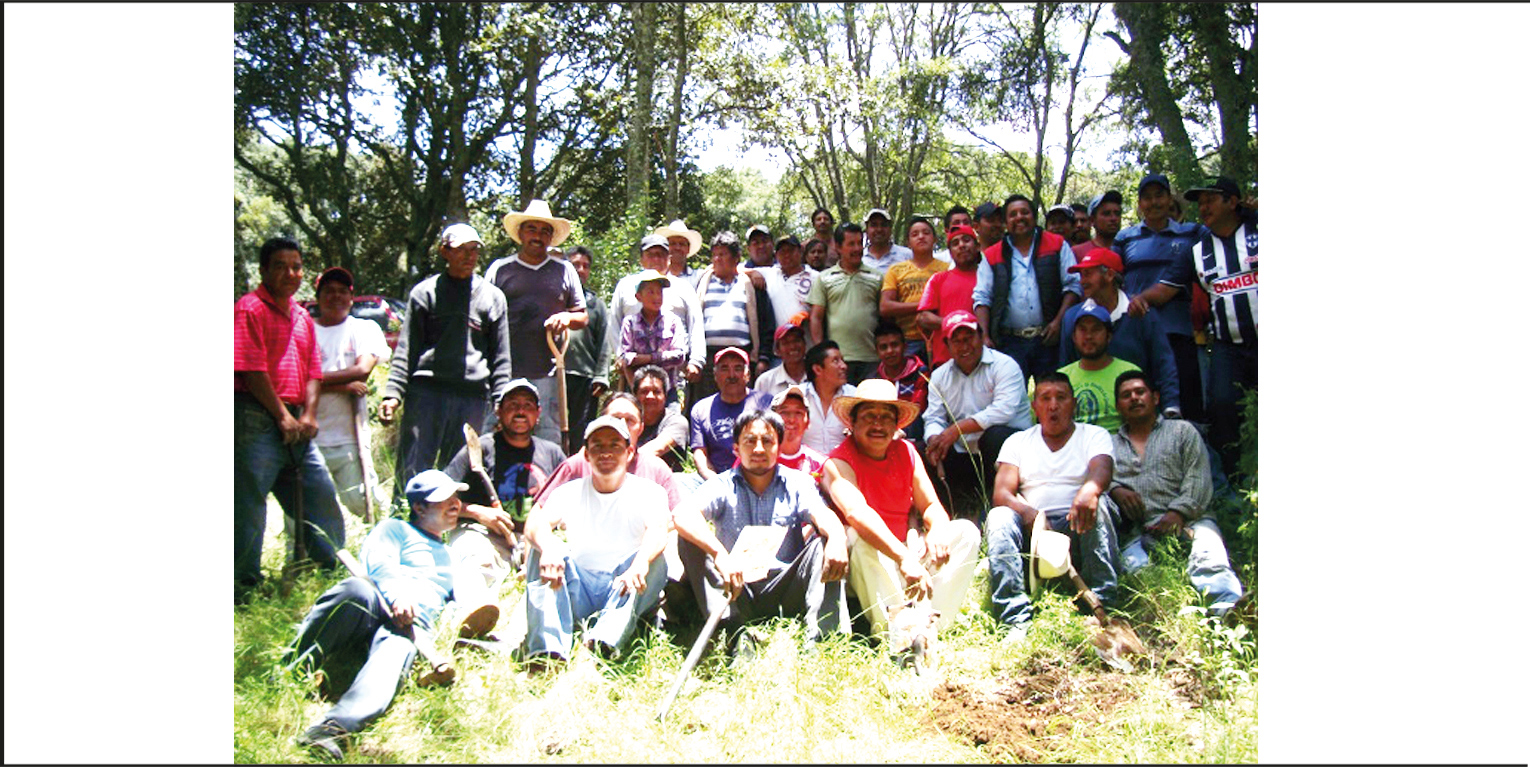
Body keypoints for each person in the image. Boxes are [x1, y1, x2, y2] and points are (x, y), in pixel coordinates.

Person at [288, 470, 474, 758]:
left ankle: (330, 731)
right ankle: (290, 669)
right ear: (418, 507)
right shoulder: (395, 529)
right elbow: (379, 561)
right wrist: (399, 594)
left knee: (396, 653)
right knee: (355, 590)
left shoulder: (452, 557)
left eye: (456, 498)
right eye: (444, 499)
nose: (455, 505)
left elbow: (457, 605)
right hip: (377, 601)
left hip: (411, 626)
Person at [672, 409, 851, 654]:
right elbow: (682, 515)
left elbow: (823, 515)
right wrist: (719, 555)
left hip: (787, 586)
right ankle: (733, 632)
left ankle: (822, 639)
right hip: (735, 588)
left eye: (767, 441)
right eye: (750, 441)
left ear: (778, 447)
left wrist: (838, 538)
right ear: (736, 448)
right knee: (689, 540)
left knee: (825, 544)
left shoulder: (797, 482)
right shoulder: (721, 484)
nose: (758, 449)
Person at [824, 379, 981, 640]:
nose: (878, 424)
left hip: (905, 551)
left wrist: (937, 531)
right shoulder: (837, 462)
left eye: (886, 417)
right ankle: (896, 636)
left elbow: (930, 505)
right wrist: (904, 558)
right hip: (868, 563)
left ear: (896, 425)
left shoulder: (906, 451)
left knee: (966, 532)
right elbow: (857, 514)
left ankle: (930, 629)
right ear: (852, 423)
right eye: (869, 416)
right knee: (860, 540)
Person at [235, 237, 346, 599]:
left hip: (298, 420)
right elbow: (251, 369)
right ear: (265, 269)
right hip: (257, 417)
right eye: (280, 266)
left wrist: (309, 414)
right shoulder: (249, 309)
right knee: (248, 504)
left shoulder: (301, 316)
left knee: (319, 494)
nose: (289, 273)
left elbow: (313, 370)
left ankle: (332, 571)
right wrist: (281, 416)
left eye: (296, 266)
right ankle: (243, 586)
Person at [380, 223, 513, 502]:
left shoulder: (492, 298)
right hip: (427, 393)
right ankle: (403, 523)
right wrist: (393, 394)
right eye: (461, 250)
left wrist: (502, 402)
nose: (468, 256)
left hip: (472, 398)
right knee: (414, 466)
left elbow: (501, 358)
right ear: (444, 251)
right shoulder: (425, 293)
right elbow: (407, 348)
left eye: (474, 250)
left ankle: (451, 529)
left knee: (460, 470)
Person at [985, 372, 1121, 641]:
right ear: (1035, 406)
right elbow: (1001, 493)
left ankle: (1101, 603)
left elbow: (1102, 470)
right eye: (1045, 398)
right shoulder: (1018, 441)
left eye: (1061, 397)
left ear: (1074, 403)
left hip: (1081, 524)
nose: (1053, 405)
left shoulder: (1094, 435)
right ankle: (1014, 617)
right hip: (1032, 531)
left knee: (1101, 502)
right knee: (999, 516)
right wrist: (1031, 514)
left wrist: (1089, 490)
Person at [522, 416, 671, 662]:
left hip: (625, 586)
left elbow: (658, 529)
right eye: (597, 446)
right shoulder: (568, 492)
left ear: (629, 452)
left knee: (654, 559)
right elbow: (535, 524)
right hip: (577, 587)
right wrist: (548, 548)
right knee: (541, 548)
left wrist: (640, 563)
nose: (606, 453)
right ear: (586, 455)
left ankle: (603, 643)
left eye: (614, 445)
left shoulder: (649, 491)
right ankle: (548, 653)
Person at [1137, 175, 1258, 473]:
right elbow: (1166, 288)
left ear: (1232, 202)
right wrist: (1138, 300)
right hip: (1227, 345)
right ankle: (1233, 477)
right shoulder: (1198, 249)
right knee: (1220, 406)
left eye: (1210, 200)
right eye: (1200, 202)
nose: (1203, 207)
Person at [1109, 372, 1243, 612]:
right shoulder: (1109, 444)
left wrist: (1178, 513)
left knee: (1209, 560)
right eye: (1126, 395)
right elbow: (1098, 479)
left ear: (1155, 397)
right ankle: (1165, 615)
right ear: (1118, 405)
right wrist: (1116, 489)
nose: (1134, 399)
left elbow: (1199, 478)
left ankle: (1229, 611)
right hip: (1137, 531)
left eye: (1140, 392)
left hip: (1193, 519)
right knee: (1138, 576)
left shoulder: (1182, 431)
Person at [442, 379, 568, 588]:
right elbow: (440, 499)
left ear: (538, 414)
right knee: (475, 560)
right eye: (512, 405)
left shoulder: (552, 453)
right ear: (498, 412)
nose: (520, 411)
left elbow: (571, 500)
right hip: (484, 535)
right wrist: (478, 513)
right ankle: (475, 608)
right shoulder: (480, 448)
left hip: (536, 538)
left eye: (527, 405)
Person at [489, 199, 588, 444]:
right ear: (521, 233)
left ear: (551, 237)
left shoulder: (564, 270)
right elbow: (482, 315)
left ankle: (549, 481)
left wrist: (566, 317)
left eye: (545, 231)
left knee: (549, 433)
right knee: (498, 430)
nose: (538, 236)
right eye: (532, 229)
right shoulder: (500, 269)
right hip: (504, 369)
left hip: (548, 370)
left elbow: (582, 316)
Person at [1113, 174, 1208, 425]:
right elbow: (1113, 277)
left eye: (1159, 195)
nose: (1154, 202)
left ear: (1169, 199)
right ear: (1140, 203)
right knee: (1139, 396)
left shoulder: (1192, 233)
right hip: (1136, 329)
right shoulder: (1125, 237)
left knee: (1184, 400)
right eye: (1147, 197)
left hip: (1178, 328)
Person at [922, 311, 1033, 510]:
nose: (965, 347)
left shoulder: (1005, 366)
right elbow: (934, 417)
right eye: (956, 341)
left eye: (969, 338)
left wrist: (955, 430)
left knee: (994, 436)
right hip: (966, 454)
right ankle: (950, 508)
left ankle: (999, 502)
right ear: (946, 346)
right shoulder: (939, 376)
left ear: (981, 337)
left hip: (1006, 454)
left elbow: (1003, 411)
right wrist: (935, 440)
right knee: (925, 449)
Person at [972, 194, 1082, 387]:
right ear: (1006, 222)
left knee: (1052, 394)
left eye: (1025, 212)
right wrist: (985, 335)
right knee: (1011, 399)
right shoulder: (992, 255)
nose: (1019, 217)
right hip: (1009, 341)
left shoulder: (1056, 245)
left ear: (1034, 216)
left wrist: (1058, 322)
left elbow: (1073, 285)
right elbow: (982, 297)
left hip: (1049, 338)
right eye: (1013, 214)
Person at [1059, 247, 1181, 417]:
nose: (1082, 281)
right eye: (1081, 275)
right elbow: (1066, 366)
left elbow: (1163, 363)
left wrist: (1170, 406)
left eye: (1088, 274)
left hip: (1138, 411)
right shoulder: (1072, 317)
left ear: (1109, 275)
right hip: (1092, 410)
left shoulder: (1141, 314)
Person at [310, 266, 391, 520]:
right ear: (318, 296)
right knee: (305, 507)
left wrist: (313, 379)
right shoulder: (305, 330)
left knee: (363, 501)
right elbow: (294, 379)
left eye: (342, 291)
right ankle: (301, 558)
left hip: (349, 436)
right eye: (329, 291)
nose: (336, 297)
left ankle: (386, 534)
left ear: (351, 297)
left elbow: (362, 370)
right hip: (310, 434)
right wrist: (342, 386)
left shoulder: (364, 328)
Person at [608, 234, 706, 396]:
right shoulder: (626, 286)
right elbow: (614, 324)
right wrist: (621, 357)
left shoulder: (683, 287)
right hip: (633, 372)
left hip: (674, 372)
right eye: (650, 254)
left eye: (660, 255)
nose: (656, 259)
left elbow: (696, 325)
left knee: (672, 417)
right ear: (641, 259)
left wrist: (696, 361)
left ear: (668, 259)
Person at [808, 222, 882, 384]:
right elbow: (816, 318)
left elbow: (884, 316)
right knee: (841, 406)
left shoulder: (876, 277)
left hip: (871, 358)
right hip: (838, 360)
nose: (857, 249)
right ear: (838, 247)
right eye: (851, 244)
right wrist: (822, 353)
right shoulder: (824, 278)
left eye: (859, 243)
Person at [694, 231, 763, 401]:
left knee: (742, 404)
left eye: (723, 254)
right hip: (709, 358)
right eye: (714, 255)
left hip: (741, 354)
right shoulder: (702, 281)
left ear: (736, 258)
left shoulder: (748, 284)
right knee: (708, 405)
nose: (717, 259)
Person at [688, 346, 774, 483]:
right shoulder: (701, 409)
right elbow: (700, 453)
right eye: (724, 369)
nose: (732, 375)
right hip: (716, 479)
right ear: (715, 376)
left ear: (748, 375)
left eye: (738, 368)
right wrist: (717, 483)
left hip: (759, 477)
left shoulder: (767, 403)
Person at [1057, 301, 1140, 432]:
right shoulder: (1061, 378)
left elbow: (1141, 427)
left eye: (1096, 329)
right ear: (1073, 337)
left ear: (1109, 336)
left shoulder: (1130, 374)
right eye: (1083, 330)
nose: (1089, 336)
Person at [916, 223, 986, 368]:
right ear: (950, 252)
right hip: (945, 362)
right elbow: (923, 318)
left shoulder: (988, 277)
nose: (961, 245)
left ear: (977, 246)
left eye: (966, 240)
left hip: (983, 360)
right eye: (955, 243)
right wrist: (956, 326)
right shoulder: (938, 279)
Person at [563, 245, 611, 451]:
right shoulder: (553, 297)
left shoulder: (595, 304)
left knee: (581, 429)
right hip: (554, 373)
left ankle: (579, 471)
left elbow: (604, 343)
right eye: (575, 265)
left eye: (586, 266)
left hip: (584, 377)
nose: (581, 270)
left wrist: (601, 376)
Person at [879, 217, 948, 361]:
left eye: (926, 233)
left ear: (935, 239)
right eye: (915, 234)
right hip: (907, 340)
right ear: (908, 243)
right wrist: (922, 307)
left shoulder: (946, 269)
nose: (921, 237)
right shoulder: (896, 270)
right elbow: (885, 307)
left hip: (940, 337)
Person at [616, 269, 689, 393]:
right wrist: (660, 357)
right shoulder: (630, 323)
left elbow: (679, 356)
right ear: (638, 297)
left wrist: (647, 358)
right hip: (638, 391)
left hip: (668, 390)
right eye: (651, 292)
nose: (657, 297)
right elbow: (626, 358)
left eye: (659, 292)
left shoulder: (673, 322)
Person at [872, 321, 928, 443]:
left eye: (894, 345)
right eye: (883, 347)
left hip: (915, 440)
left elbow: (918, 409)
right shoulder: (873, 379)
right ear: (876, 351)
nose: (890, 351)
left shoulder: (921, 373)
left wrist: (901, 431)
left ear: (905, 346)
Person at [799, 340, 858, 455]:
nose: (844, 366)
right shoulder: (797, 396)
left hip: (845, 467)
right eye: (836, 361)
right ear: (818, 369)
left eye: (843, 360)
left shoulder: (855, 397)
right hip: (805, 469)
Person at [752, 234, 817, 338]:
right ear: (776, 256)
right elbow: (736, 269)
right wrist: (753, 273)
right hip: (779, 346)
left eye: (790, 250)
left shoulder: (815, 277)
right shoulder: (770, 273)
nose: (786, 255)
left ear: (800, 251)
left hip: (808, 343)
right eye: (782, 251)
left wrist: (808, 314)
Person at [631, 365, 690, 473]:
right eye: (644, 391)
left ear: (665, 396)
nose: (650, 396)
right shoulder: (627, 421)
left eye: (656, 392)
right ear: (635, 395)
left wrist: (619, 461)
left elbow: (656, 449)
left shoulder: (677, 422)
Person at [753, 314, 810, 396]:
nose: (792, 346)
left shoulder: (818, 377)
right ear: (777, 350)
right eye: (786, 343)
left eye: (796, 340)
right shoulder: (765, 382)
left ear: (805, 344)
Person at [1071, 190, 1124, 263]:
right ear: (1092, 220)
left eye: (1117, 214)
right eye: (1106, 214)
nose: (1113, 218)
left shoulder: (1128, 250)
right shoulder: (1076, 252)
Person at [653, 218, 705, 285]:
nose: (677, 248)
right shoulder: (655, 277)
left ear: (688, 249)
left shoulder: (699, 278)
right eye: (672, 243)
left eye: (682, 244)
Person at [861, 208, 913, 272]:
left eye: (884, 225)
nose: (879, 229)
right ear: (866, 229)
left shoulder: (907, 256)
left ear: (890, 229)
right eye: (874, 225)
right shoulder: (859, 257)